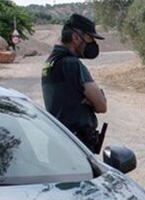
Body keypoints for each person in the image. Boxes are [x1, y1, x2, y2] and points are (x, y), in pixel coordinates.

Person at [41, 13, 108, 152]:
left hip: (59, 142)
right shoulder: (72, 64)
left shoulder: (51, 62)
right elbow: (101, 105)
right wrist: (95, 98)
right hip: (76, 146)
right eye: (90, 39)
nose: (92, 44)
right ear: (76, 37)